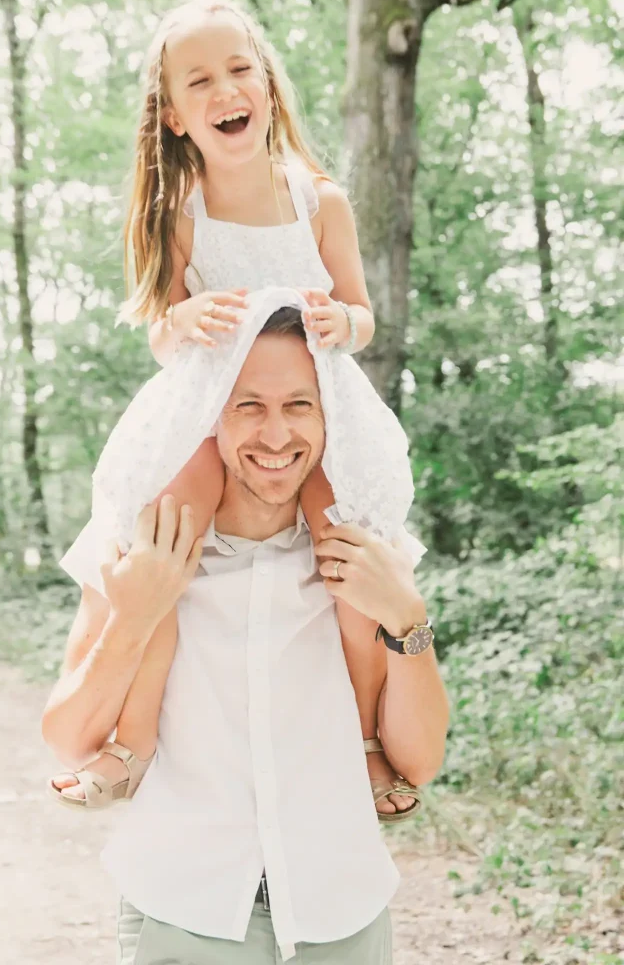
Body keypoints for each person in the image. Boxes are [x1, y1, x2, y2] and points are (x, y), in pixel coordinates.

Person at [49, 0, 426, 821]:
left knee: (348, 567)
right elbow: (158, 330)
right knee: (164, 559)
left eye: (238, 70)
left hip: (309, 410)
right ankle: (132, 741)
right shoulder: (182, 212)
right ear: (176, 117)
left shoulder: (317, 201)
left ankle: (367, 741)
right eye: (199, 82)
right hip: (208, 411)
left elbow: (364, 314)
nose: (225, 91)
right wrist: (180, 319)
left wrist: (342, 320)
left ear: (267, 87)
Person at [42, 307, 449, 964]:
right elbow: (67, 738)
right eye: (247, 405)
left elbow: (422, 760)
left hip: (340, 910)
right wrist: (135, 614)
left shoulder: (369, 551)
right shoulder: (137, 547)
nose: (277, 432)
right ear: (210, 414)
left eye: (300, 404)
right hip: (183, 906)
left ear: (328, 416)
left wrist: (407, 615)